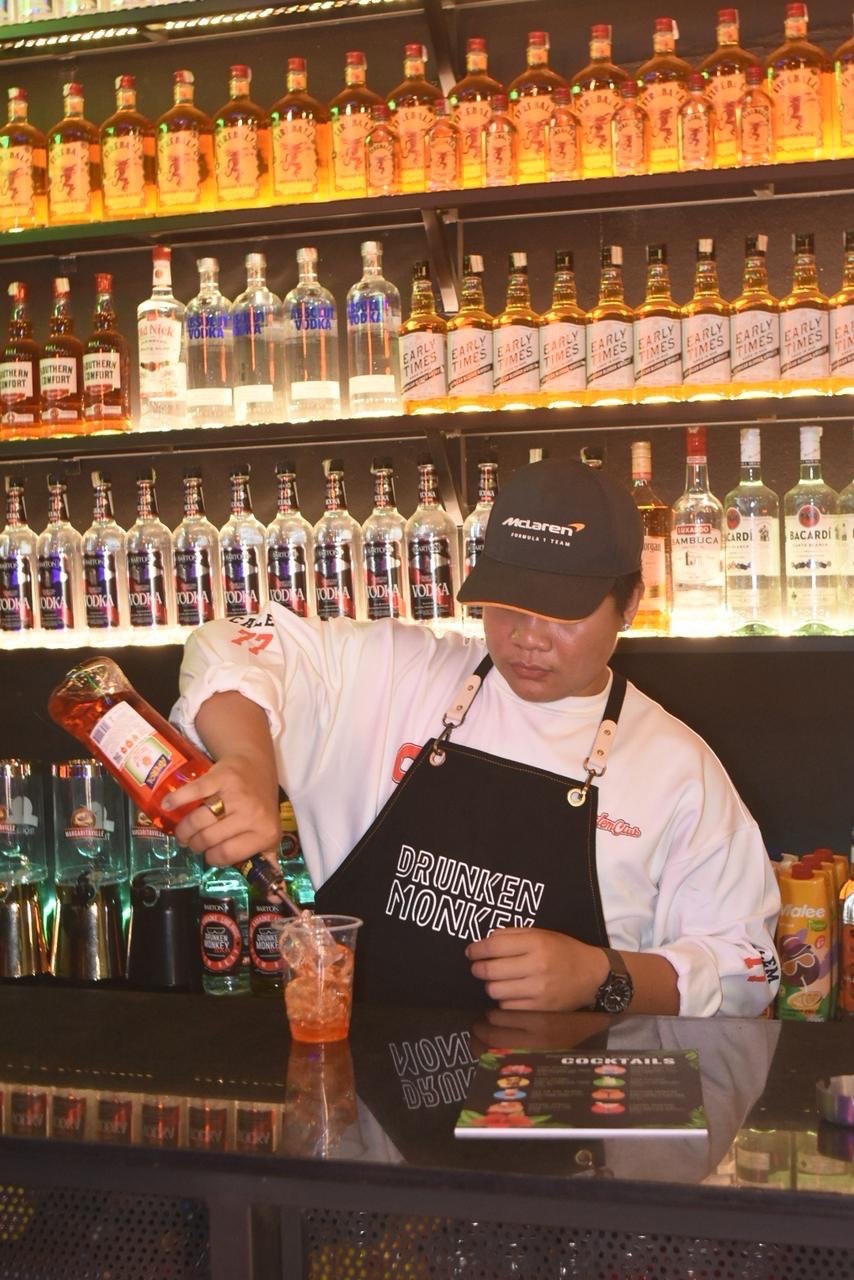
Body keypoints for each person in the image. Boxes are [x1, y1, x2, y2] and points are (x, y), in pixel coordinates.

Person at [165, 458, 781, 1017]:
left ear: (631, 604)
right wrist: (248, 760)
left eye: (563, 612)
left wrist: (604, 975)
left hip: (570, 1116)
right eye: (507, 603)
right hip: (368, 1119)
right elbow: (228, 643)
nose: (527, 636)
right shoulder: (397, 677)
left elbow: (747, 971)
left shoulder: (676, 769)